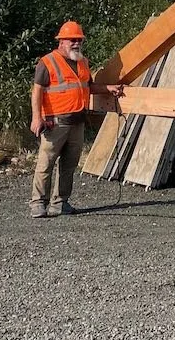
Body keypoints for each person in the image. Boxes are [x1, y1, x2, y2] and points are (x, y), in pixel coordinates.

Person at [29, 20, 123, 218]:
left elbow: (88, 87)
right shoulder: (47, 62)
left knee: (69, 166)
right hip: (55, 123)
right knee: (45, 164)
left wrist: (108, 88)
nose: (76, 43)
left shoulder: (82, 62)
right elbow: (36, 91)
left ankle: (60, 202)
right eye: (72, 40)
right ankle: (38, 203)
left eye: (79, 40)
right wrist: (36, 118)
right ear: (61, 41)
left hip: (77, 122)